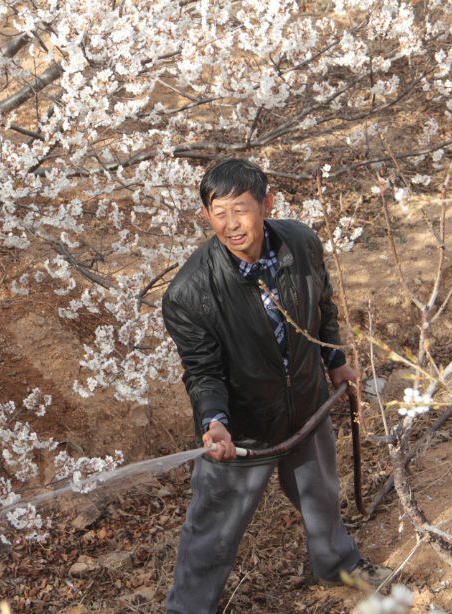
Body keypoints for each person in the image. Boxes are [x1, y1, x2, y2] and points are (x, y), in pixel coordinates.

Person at [161, 159, 392, 614]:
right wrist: (215, 422)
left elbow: (321, 304)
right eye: (219, 212)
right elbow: (202, 370)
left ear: (267, 204)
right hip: (243, 429)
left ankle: (336, 565)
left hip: (306, 407)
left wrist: (335, 360)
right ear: (206, 215)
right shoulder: (188, 294)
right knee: (212, 532)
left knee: (322, 498)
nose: (231, 225)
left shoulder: (301, 244)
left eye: (241, 210)